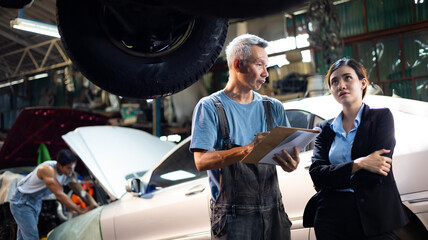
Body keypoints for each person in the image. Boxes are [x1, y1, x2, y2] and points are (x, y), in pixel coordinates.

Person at [190, 33, 300, 239]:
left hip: (274, 213)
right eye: (260, 65)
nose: (266, 73)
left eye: (266, 66)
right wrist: (247, 149)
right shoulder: (211, 107)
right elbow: (201, 160)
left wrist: (290, 163)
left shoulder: (273, 107)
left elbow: (286, 154)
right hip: (234, 220)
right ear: (238, 64)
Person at [308, 58, 409, 239]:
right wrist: (360, 163)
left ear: (363, 83)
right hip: (331, 219)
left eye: (348, 78)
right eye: (335, 81)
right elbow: (316, 173)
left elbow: (378, 172)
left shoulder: (381, 118)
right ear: (331, 89)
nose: (341, 85)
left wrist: (330, 180)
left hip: (373, 216)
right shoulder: (324, 129)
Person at [10, 149, 98, 240]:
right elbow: (59, 194)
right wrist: (80, 210)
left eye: (73, 167)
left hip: (36, 201)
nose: (71, 171)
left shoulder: (69, 174)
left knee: (23, 237)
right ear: (59, 165)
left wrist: (95, 206)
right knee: (31, 236)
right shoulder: (47, 170)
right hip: (22, 202)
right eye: (68, 168)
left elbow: (82, 193)